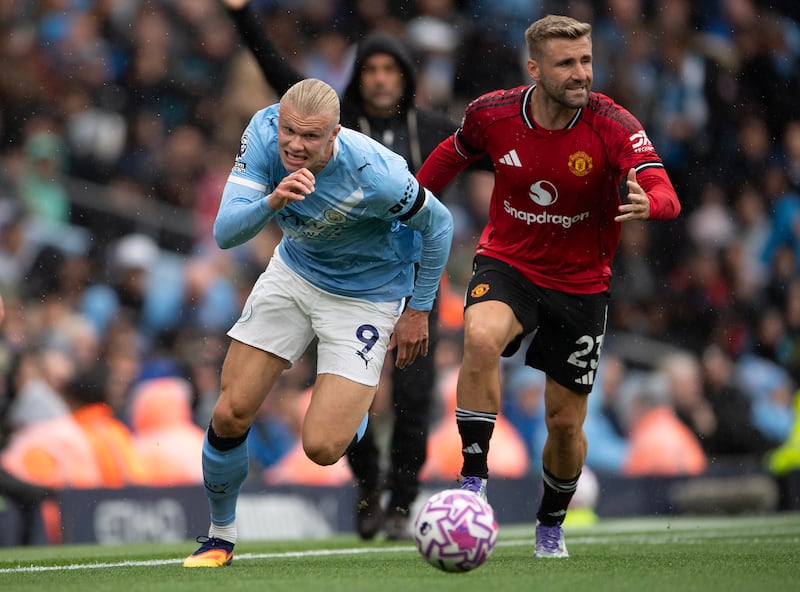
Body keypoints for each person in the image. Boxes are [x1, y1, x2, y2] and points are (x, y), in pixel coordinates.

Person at [416, 14, 681, 558]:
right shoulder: (491, 114)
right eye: (567, 63)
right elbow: (452, 154)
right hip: (507, 261)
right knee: (482, 337)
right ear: (534, 68)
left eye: (585, 61)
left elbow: (664, 189)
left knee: (563, 424)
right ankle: (472, 485)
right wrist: (414, 200)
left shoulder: (613, 124)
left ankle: (551, 526)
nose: (581, 73)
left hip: (581, 284)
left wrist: (650, 202)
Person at [219, 0, 467, 540]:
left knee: (412, 395)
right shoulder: (314, 119)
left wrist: (420, 309)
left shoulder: (419, 137)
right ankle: (366, 485)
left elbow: (456, 200)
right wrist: (242, 16)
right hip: (305, 266)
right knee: (250, 411)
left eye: (390, 69)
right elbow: (282, 80)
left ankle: (402, 502)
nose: (380, 79)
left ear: (406, 77)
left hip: (392, 283)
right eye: (371, 69)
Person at [183, 78, 453, 567]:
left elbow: (439, 226)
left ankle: (353, 410)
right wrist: (272, 202)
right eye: (289, 130)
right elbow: (224, 233)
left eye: (311, 137)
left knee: (324, 448)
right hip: (294, 272)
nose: (294, 144)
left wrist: (419, 308)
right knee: (229, 413)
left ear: (335, 135)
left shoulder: (378, 174)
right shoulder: (264, 134)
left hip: (367, 298)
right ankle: (219, 535)